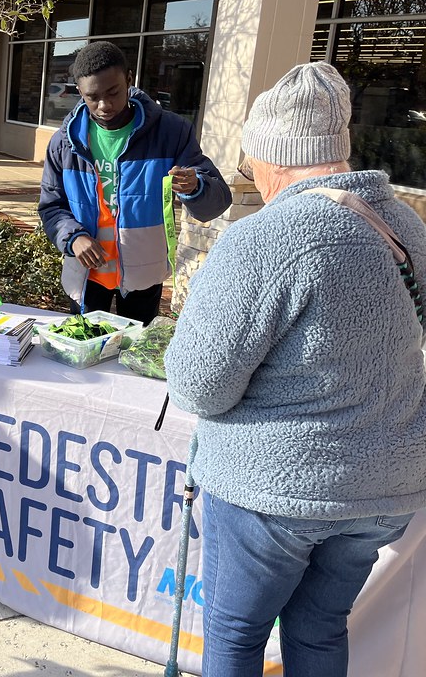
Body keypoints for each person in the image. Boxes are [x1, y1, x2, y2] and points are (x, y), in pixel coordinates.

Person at [164, 62, 426, 676]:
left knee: (235, 633)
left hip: (278, 486)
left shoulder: (264, 237)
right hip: (384, 487)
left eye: (250, 160)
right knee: (320, 629)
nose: (250, 174)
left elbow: (200, 385)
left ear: (274, 158)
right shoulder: (407, 224)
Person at [38, 41, 230, 324]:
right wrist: (74, 238)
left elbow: (217, 201)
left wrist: (196, 186)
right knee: (86, 347)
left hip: (145, 272)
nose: (104, 105)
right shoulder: (64, 142)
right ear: (79, 91)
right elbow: (51, 206)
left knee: (138, 350)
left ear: (129, 79)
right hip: (86, 273)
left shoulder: (171, 132)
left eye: (113, 92)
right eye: (92, 97)